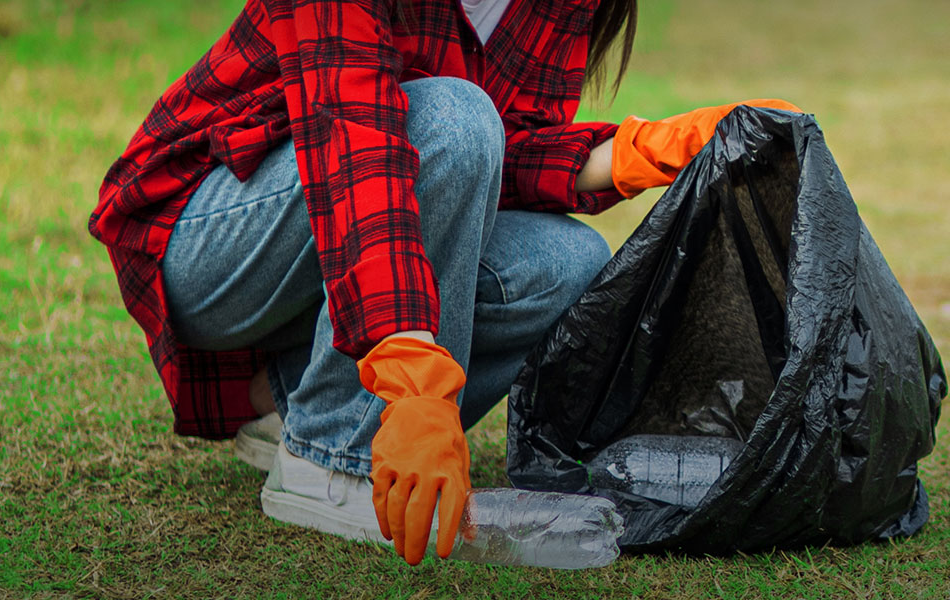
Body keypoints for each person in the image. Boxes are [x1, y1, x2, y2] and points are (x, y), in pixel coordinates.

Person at [88, 0, 797, 566]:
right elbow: (357, 141)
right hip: (204, 236)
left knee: (568, 263)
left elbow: (493, 158)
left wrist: (636, 154)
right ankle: (332, 459)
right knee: (453, 118)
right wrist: (416, 382)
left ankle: (283, 401)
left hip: (351, 213)